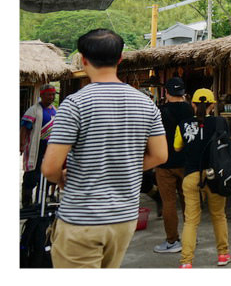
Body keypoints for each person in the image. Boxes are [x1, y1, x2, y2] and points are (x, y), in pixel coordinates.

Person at [41, 29, 168, 268]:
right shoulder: (145, 103)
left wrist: (62, 178)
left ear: (82, 59)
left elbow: (49, 168)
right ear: (120, 59)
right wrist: (124, 168)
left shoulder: (75, 104)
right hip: (123, 221)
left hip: (82, 221)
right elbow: (160, 155)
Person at [174, 88, 231, 268]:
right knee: (219, 215)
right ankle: (222, 255)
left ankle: (186, 262)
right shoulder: (220, 122)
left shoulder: (183, 124)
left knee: (191, 220)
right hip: (215, 176)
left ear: (193, 104)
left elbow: (177, 147)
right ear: (213, 105)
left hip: (191, 175)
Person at [153, 77, 193, 254]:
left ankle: (172, 241)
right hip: (186, 161)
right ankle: (190, 236)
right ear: (183, 93)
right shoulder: (190, 109)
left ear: (166, 93)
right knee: (188, 200)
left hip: (164, 161)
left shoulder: (160, 111)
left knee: (168, 202)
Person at [20, 84, 58, 208]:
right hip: (36, 147)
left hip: (50, 149)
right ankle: (27, 201)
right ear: (42, 95)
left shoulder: (55, 110)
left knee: (46, 175)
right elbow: (25, 128)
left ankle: (40, 201)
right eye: (49, 94)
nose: (51, 97)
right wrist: (21, 144)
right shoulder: (34, 110)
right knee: (32, 175)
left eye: (53, 95)